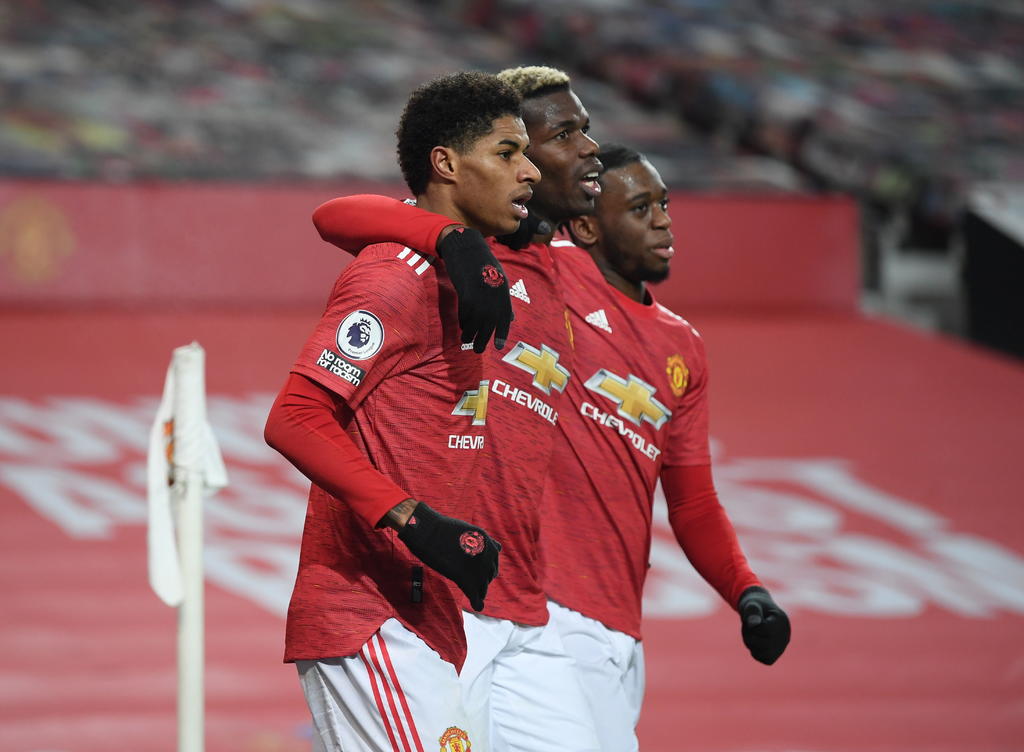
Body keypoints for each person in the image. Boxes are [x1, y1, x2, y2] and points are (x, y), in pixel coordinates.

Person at [310, 65, 604, 752]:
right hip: (430, 583)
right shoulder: (431, 256)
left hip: (518, 593)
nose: (583, 150)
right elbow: (332, 215)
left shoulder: (567, 258)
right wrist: (452, 240)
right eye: (557, 137)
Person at [263, 71, 536, 751]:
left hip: (434, 607)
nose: (528, 170)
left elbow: (339, 214)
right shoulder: (394, 278)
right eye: (507, 153)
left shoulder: (474, 272)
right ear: (446, 163)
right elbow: (294, 417)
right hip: (372, 609)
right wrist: (413, 519)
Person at [547, 143, 791, 750]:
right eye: (639, 208)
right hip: (539, 609)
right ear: (586, 227)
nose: (663, 221)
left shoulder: (683, 346)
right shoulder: (544, 273)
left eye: (663, 204)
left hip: (618, 626)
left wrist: (747, 590)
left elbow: (692, 501)